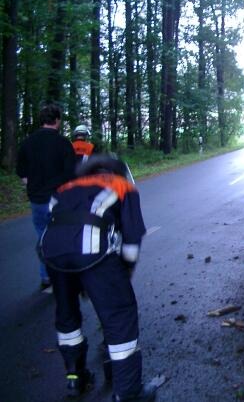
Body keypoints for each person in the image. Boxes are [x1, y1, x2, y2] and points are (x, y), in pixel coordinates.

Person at [39, 154, 159, 401]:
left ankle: (75, 377)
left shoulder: (65, 187)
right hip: (93, 254)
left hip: (52, 254)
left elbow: (53, 219)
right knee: (119, 315)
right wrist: (124, 272)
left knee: (66, 313)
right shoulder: (123, 186)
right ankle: (128, 392)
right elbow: (132, 238)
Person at [16, 103, 76, 291]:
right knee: (63, 236)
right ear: (57, 120)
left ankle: (46, 276)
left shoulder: (27, 143)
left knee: (43, 236)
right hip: (59, 199)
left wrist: (34, 186)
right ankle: (64, 275)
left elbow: (22, 173)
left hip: (37, 200)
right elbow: (71, 174)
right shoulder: (63, 144)